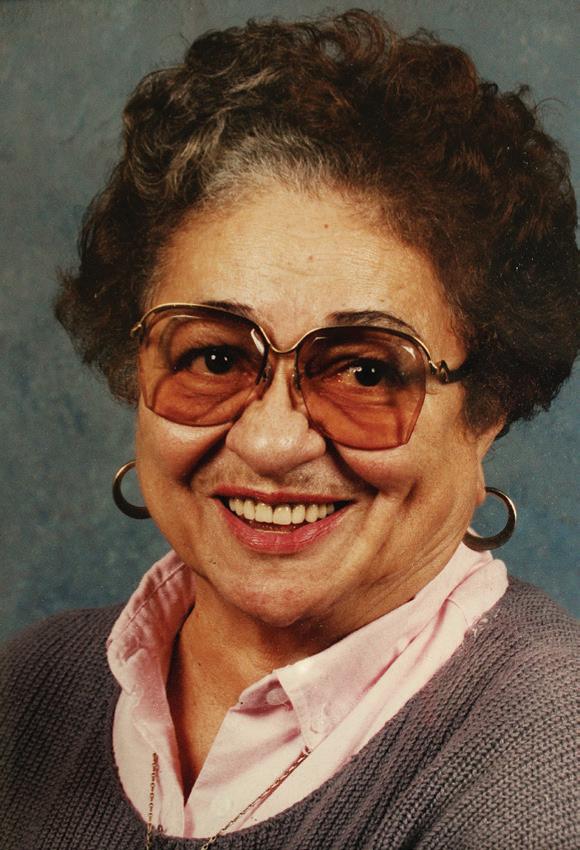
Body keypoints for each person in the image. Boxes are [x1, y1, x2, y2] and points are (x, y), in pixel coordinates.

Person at [1, 9, 578, 850]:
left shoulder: (549, 758)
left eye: (366, 372)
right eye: (213, 357)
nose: (271, 444)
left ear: (487, 405)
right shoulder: (28, 692)